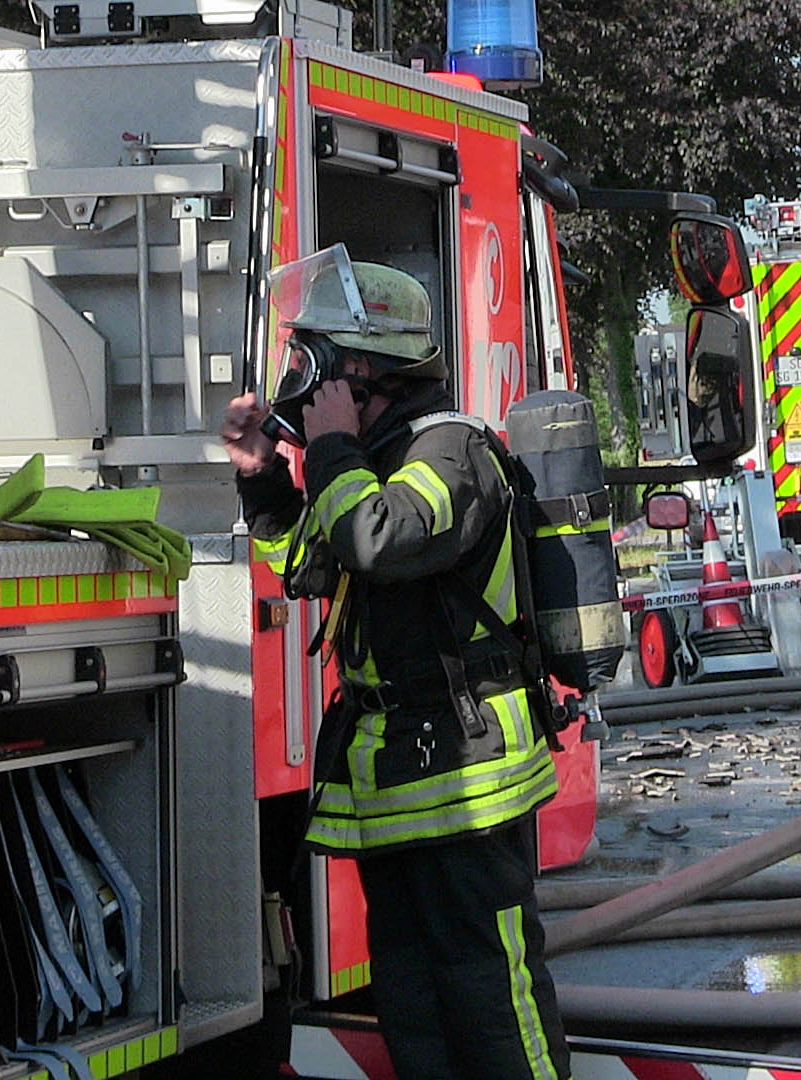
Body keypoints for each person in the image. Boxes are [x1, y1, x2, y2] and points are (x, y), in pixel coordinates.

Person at [221, 254, 570, 1080]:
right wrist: (264, 477)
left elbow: (380, 538)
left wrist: (333, 447)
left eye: (311, 360)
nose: (299, 382)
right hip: (402, 780)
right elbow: (310, 561)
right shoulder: (369, 462)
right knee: (414, 1008)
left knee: (492, 998)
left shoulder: (451, 451)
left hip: (469, 775)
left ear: (360, 369)